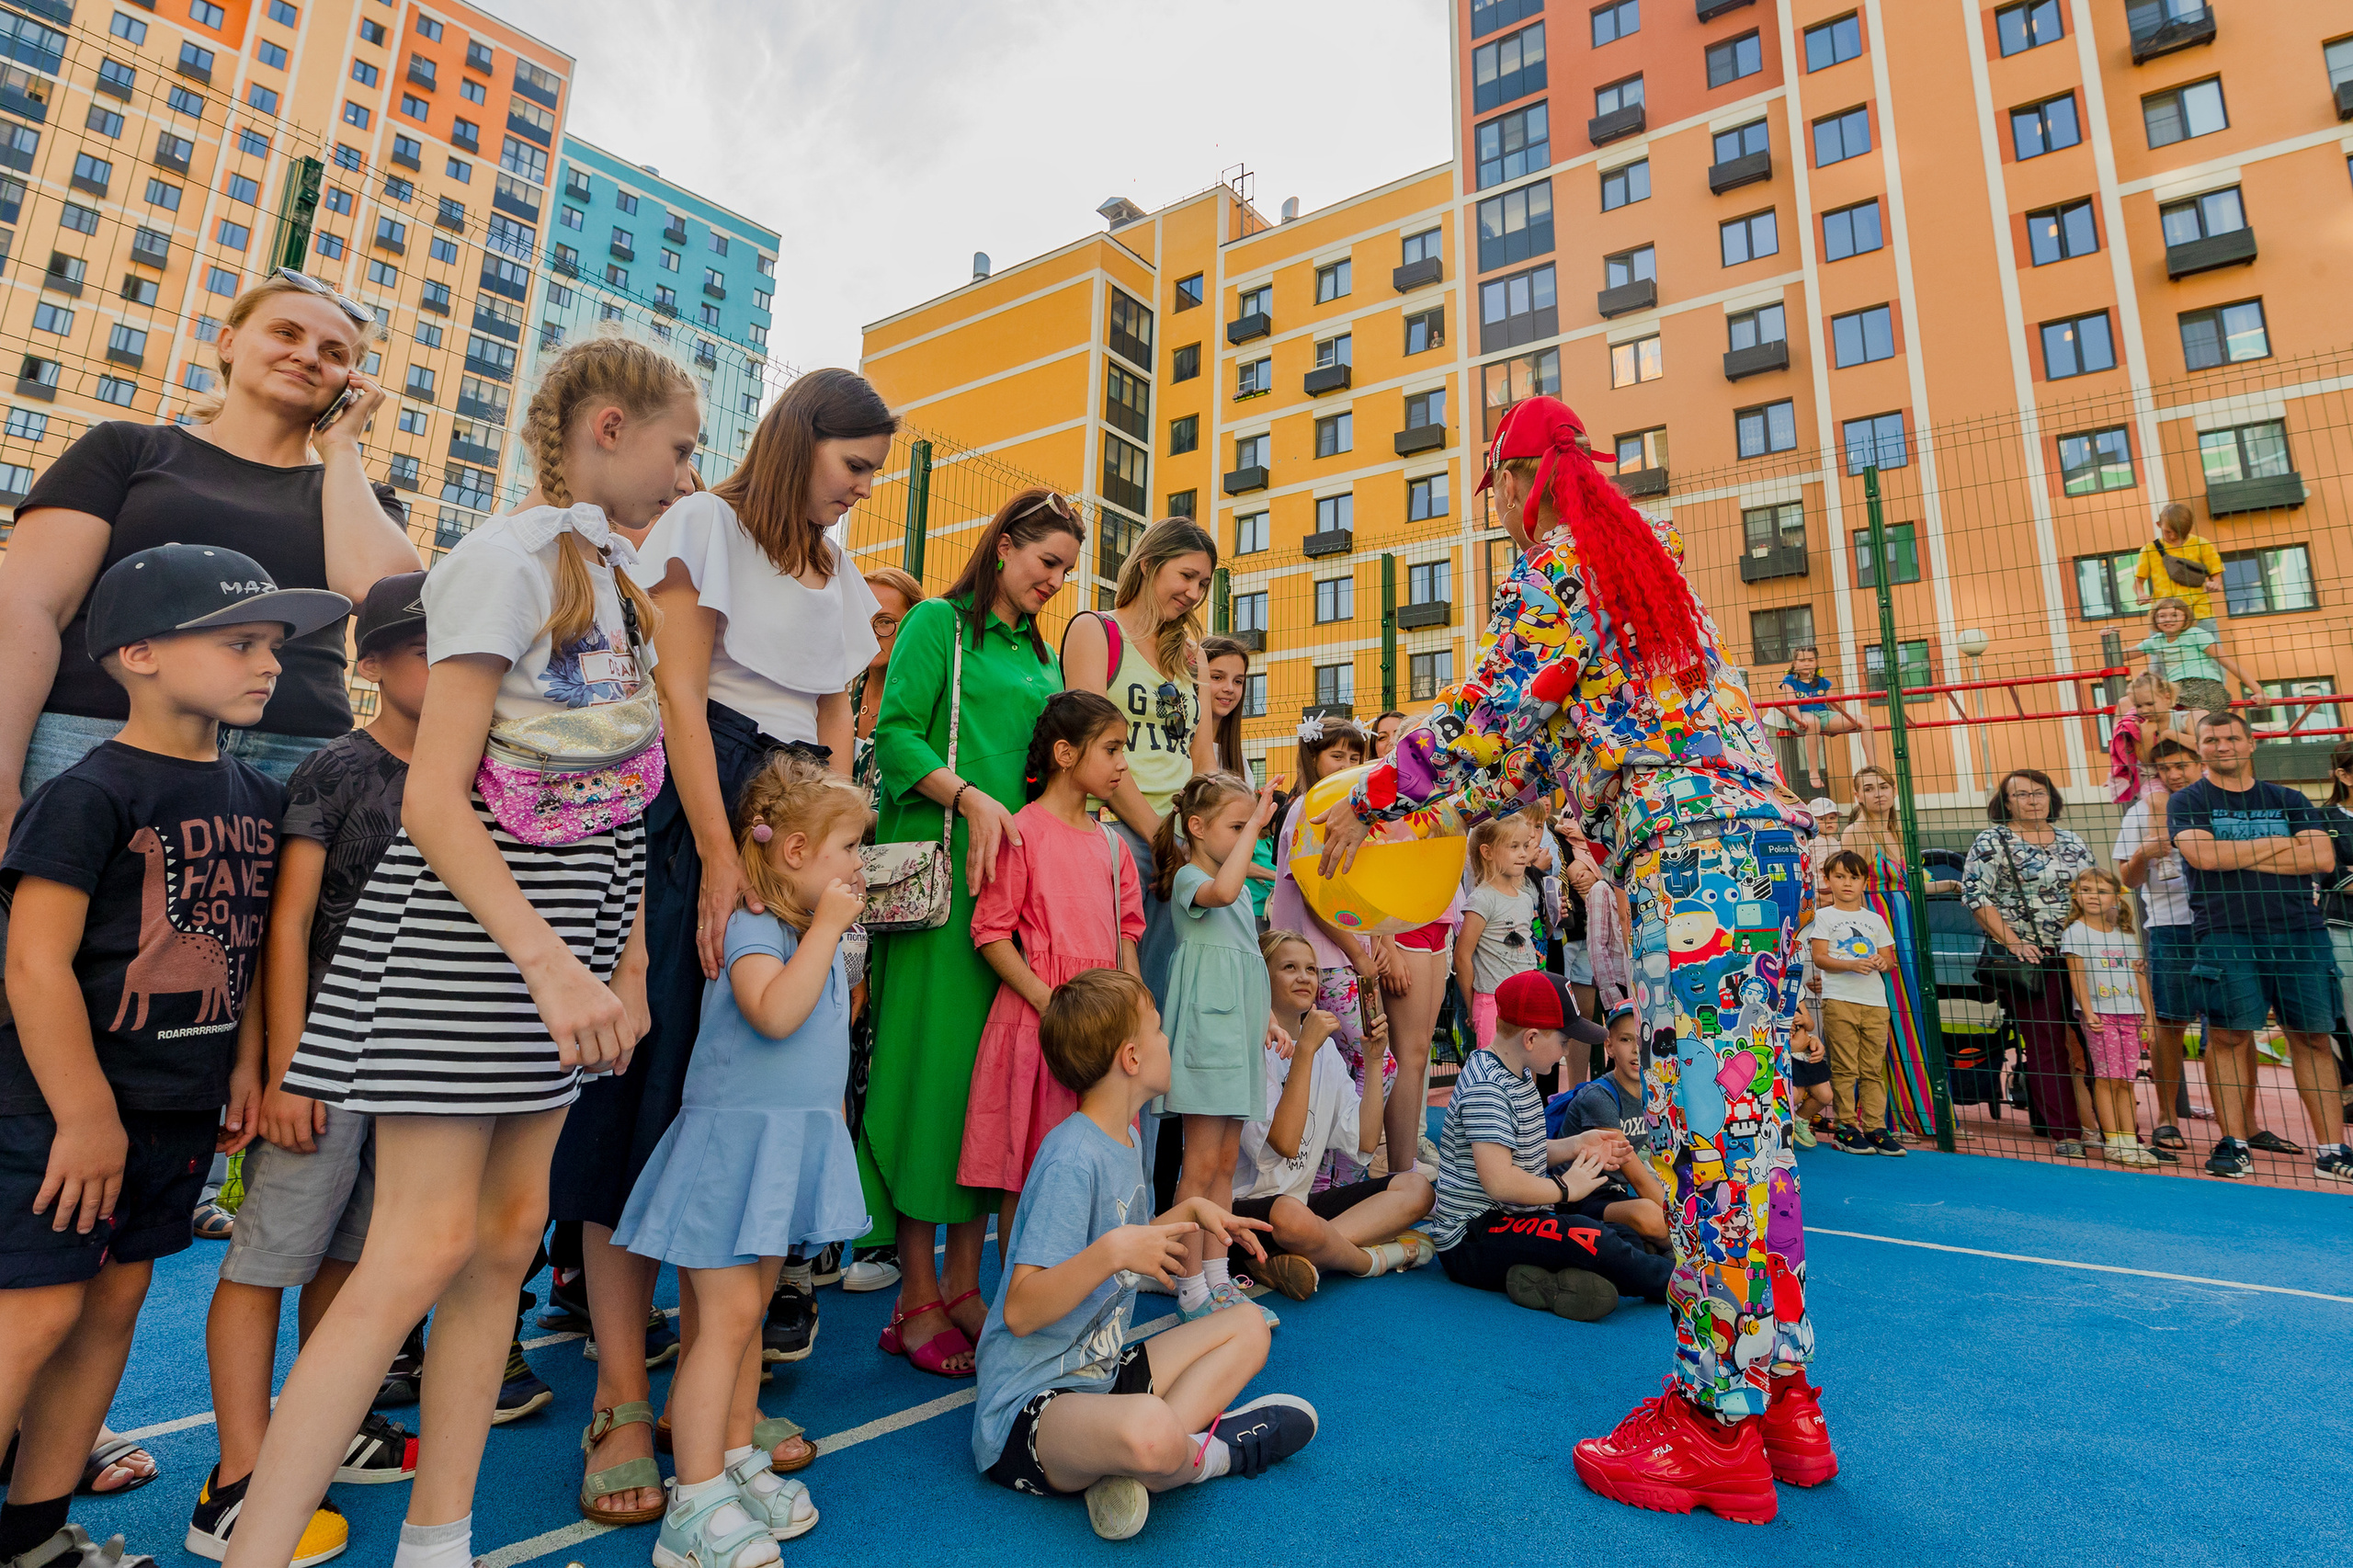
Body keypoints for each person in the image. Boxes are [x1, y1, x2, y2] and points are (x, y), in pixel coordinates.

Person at [1314, 395, 1835, 1518]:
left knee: (1715, 1149)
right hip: (1758, 847)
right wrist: (1443, 810)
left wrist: (1370, 792)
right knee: (1751, 1140)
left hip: (1693, 863)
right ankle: (1781, 1393)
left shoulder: (1557, 566)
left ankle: (1712, 1424)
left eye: (1490, 485)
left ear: (1515, 478)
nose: (1493, 508)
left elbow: (1486, 713)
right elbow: (1544, 754)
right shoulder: (1642, 580)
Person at [227, 335, 691, 1568]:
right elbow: (436, 798)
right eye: (681, 447)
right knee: (417, 1248)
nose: (690, 475)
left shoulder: (614, 578)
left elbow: (618, 800)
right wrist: (549, 963)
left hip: (572, 935)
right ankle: (255, 1546)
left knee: (501, 1238)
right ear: (605, 427)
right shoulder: (501, 561)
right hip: (477, 937)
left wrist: (628, 964)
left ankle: (440, 1540)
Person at [553, 369, 895, 1507]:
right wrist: (715, 855)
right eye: (852, 467)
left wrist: (830, 855)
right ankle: (621, 1399)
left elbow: (839, 717)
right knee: (645, 1102)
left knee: (745, 1113)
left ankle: (725, 1394)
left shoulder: (840, 572)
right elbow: (683, 697)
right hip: (706, 804)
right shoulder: (702, 522)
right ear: (801, 441)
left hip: (796, 825)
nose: (859, 492)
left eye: (873, 475)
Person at [0, 546, 342, 1568]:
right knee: (39, 1309)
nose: (268, 664)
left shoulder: (251, 790)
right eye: (239, 641)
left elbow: (236, 945)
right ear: (137, 653)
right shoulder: (88, 792)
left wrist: (243, 1061)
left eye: (274, 646)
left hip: (179, 1103)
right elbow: (33, 963)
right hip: (62, 1112)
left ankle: (32, 1533)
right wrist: (85, 1114)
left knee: (111, 1307)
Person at [191, 574, 431, 1564]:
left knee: (359, 1258)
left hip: (423, 1062)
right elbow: (286, 925)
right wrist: (292, 1068)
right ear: (370, 663)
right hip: (327, 1058)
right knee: (267, 1256)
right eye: (425, 643)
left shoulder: (484, 770)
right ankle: (239, 1477)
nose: (454, 658)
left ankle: (319, 1429)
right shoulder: (336, 769)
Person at [0, 272, 419, 817]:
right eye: (285, 333)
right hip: (97, 733)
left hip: (290, 753)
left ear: (351, 382)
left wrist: (341, 449)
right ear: (228, 343)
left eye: (333, 351)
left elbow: (379, 592)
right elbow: (29, 608)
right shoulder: (126, 450)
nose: (308, 356)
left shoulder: (360, 493)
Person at [612, 756, 878, 1562]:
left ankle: (730, 1460)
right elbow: (770, 1013)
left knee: (746, 1323)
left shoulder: (802, 930)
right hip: (734, 1158)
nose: (859, 866)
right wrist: (830, 929)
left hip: (777, 1159)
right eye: (847, 851)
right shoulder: (760, 928)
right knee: (720, 1329)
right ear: (795, 853)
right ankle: (691, 1504)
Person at [858, 489, 1083, 1379]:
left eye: (1065, 569)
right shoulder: (933, 626)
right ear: (1003, 546)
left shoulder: (1034, 652)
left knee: (996, 1090)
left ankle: (960, 1283)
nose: (1054, 582)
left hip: (1007, 897)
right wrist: (970, 797)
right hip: (941, 890)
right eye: (1045, 561)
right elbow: (894, 734)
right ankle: (913, 1295)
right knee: (933, 1084)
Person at [971, 969, 1316, 1542]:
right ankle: (1207, 1455)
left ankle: (1137, 1463)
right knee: (1152, 1430)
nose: (1168, 1042)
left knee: (1250, 1325)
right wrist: (1112, 1252)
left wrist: (1192, 1214)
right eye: (1159, 1030)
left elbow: (1128, 1241)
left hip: (1100, 1377)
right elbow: (1021, 1310)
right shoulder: (1070, 1159)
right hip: (1030, 1410)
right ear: (1131, 1058)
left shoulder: (1126, 1139)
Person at [961, 692, 1145, 1231]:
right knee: (1037, 1175)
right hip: (1042, 1025)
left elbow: (1125, 939)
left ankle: (1088, 1307)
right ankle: (1028, 1309)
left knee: (1102, 1171)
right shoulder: (1022, 832)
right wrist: (1053, 1004)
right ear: (1065, 754)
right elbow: (991, 933)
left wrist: (1133, 1015)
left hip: (1106, 1027)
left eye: (1123, 749)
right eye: (1110, 749)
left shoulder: (1113, 847)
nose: (1122, 764)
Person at [2168, 712, 2350, 1183]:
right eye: (2211, 739)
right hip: (2226, 934)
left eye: (2231, 738)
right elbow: (2203, 858)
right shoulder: (2188, 800)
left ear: (2251, 744)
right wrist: (2279, 844)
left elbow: (2322, 858)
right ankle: (2234, 1144)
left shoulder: (2288, 798)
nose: (2222, 746)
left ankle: (2333, 1151)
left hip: (2299, 933)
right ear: (2200, 748)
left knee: (2311, 1036)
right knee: (2229, 1036)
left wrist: (2236, 854)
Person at [1427, 971, 1668, 1316]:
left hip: (1510, 1220)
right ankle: (1678, 1284)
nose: (1566, 1051)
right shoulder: (1487, 1089)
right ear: (1531, 1038)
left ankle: (1552, 1283)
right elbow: (1500, 1181)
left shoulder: (1518, 1071)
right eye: (1564, 1042)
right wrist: (1566, 1188)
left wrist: (1576, 1145)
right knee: (1589, 1238)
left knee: (1619, 1237)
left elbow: (1525, 1150)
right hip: (1473, 1238)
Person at [1059, 517, 1219, 1004]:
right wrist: (1157, 835)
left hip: (1179, 841)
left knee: (1167, 992)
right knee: (1114, 990)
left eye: (1204, 584)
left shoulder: (1194, 657)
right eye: (1186, 576)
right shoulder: (1096, 631)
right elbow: (1090, 748)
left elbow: (1202, 755)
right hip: (1114, 832)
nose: (1194, 593)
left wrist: (1203, 840)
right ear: (1148, 565)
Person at [1234, 932, 1433, 1302]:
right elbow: (1283, 1145)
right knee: (1292, 1216)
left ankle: (1305, 1257)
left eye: (1311, 968)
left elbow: (1364, 1141)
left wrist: (1374, 1063)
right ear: (1262, 978)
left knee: (1416, 1188)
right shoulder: (1251, 1045)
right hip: (1249, 1210)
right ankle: (1367, 1260)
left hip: (1302, 1209)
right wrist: (1304, 1051)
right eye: (1289, 968)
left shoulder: (1325, 1049)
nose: (1305, 977)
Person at [1153, 773, 1282, 1326]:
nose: (1247, 836)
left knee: (1227, 1161)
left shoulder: (1227, 878)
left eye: (1248, 825)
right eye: (1234, 826)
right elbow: (1226, 890)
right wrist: (1256, 826)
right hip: (1210, 1038)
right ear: (1197, 828)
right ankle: (1188, 1282)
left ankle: (1216, 1275)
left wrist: (1270, 1016)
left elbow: (1246, 952)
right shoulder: (1189, 877)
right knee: (1200, 1162)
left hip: (1235, 1034)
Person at [1265, 718, 1382, 1189]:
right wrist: (1360, 952)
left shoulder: (1346, 812)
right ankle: (1332, 1176)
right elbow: (1318, 894)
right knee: (1372, 1063)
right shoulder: (1308, 811)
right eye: (1338, 756)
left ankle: (1330, 1173)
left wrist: (1378, 941)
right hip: (1323, 962)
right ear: (1312, 760)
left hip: (1340, 959)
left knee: (1343, 1065)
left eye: (1356, 758)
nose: (1349, 766)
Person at [1962, 768, 2101, 1155]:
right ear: (2006, 803)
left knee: (2094, 1040)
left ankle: (2109, 1125)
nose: (2032, 800)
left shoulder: (2073, 840)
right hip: (2031, 958)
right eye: (2021, 794)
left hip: (2079, 954)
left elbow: (2094, 890)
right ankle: (2065, 1131)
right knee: (2046, 1044)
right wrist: (2015, 942)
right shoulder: (1993, 840)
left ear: (2051, 797)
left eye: (2039, 792)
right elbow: (1977, 897)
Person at [1841, 765, 1958, 1141]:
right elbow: (1850, 890)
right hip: (1876, 933)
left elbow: (1910, 886)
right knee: (1883, 1023)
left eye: (1885, 786)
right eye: (1869, 788)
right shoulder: (1856, 832)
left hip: (1908, 932)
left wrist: (1949, 885)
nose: (1879, 794)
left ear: (1895, 791)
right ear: (1857, 795)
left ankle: (1927, 1114)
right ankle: (1882, 1118)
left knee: (1913, 1019)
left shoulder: (1900, 833)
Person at [2116, 737, 2206, 1159]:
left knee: (2231, 1029)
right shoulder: (2141, 812)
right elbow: (2127, 880)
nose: (2174, 774)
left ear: (2199, 764)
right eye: (2164, 768)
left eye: (2182, 765)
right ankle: (2167, 1117)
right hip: (2170, 928)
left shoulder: (2215, 804)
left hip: (2224, 925)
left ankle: (2244, 1128)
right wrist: (2144, 854)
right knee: (2169, 1025)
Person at [2058, 869, 2159, 1168]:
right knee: (2105, 1077)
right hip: (2100, 1016)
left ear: (2116, 898)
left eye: (2102, 891)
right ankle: (2113, 1140)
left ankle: (2130, 1139)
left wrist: (2149, 1017)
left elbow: (2140, 977)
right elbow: (2076, 976)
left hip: (2130, 1014)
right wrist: (2087, 1013)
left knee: (2126, 1080)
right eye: (2086, 890)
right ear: (2076, 895)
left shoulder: (2125, 935)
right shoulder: (2075, 932)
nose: (2093, 896)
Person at [1548, 1004, 1671, 1244]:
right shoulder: (1599, 1097)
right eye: (1626, 1040)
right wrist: (1684, 1224)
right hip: (1585, 1196)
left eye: (1644, 1038)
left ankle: (1655, 1247)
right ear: (1609, 1047)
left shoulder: (1657, 1093)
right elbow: (1637, 1177)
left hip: (1623, 1193)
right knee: (1652, 1217)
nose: (1637, 1049)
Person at [1806, 851, 1904, 1156]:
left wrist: (1880, 961)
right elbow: (1820, 958)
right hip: (1840, 1000)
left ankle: (1876, 1127)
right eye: (1840, 876)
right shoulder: (1823, 917)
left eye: (1854, 877)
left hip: (1875, 1001)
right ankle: (1846, 1127)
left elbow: (1890, 960)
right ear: (1827, 880)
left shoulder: (1875, 919)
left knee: (1874, 1068)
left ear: (1864, 881)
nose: (1847, 883)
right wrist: (1850, 964)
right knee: (1845, 1067)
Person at [2131, 597, 2255, 732]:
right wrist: (2108, 636)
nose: (2168, 619)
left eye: (2175, 615)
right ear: (2155, 619)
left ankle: (2192, 734)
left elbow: (2229, 664)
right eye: (2162, 616)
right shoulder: (2156, 641)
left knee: (2197, 721)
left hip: (2203, 684)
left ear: (2185, 617)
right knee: (2131, 702)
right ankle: (2131, 738)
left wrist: (2257, 691)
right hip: (2175, 688)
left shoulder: (2196, 634)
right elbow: (2122, 655)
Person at [854, 566, 926, 747]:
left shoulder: (928, 703)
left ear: (913, 626)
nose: (871, 634)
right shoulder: (836, 691)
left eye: (885, 621)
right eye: (862, 619)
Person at [2131, 501, 2224, 631]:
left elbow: (2217, 576)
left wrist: (2215, 584)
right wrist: (2141, 594)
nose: (2173, 536)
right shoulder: (2150, 550)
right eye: (2168, 532)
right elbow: (2138, 582)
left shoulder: (2202, 544)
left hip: (2200, 614)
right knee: (2160, 651)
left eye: (2179, 532)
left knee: (2212, 651)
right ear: (2158, 525)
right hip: (2164, 618)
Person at [1778, 646, 1859, 791]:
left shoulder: (1823, 682)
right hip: (1802, 716)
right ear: (1794, 664)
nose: (1807, 663)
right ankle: (1813, 771)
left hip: (1823, 715)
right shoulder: (1789, 681)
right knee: (1812, 722)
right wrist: (1799, 720)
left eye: (1810, 660)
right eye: (1802, 660)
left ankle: (1872, 765)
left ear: (1816, 662)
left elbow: (1834, 706)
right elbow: (1792, 705)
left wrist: (1846, 721)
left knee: (1864, 721)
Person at [2109, 673, 2178, 808]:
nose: (2145, 710)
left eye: (2150, 703)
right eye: (2138, 706)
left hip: (2183, 773)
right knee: (2157, 803)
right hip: (2154, 778)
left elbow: (2196, 746)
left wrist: (2169, 734)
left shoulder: (2181, 719)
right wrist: (2146, 735)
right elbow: (2146, 760)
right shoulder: (2138, 725)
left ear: (2167, 698)